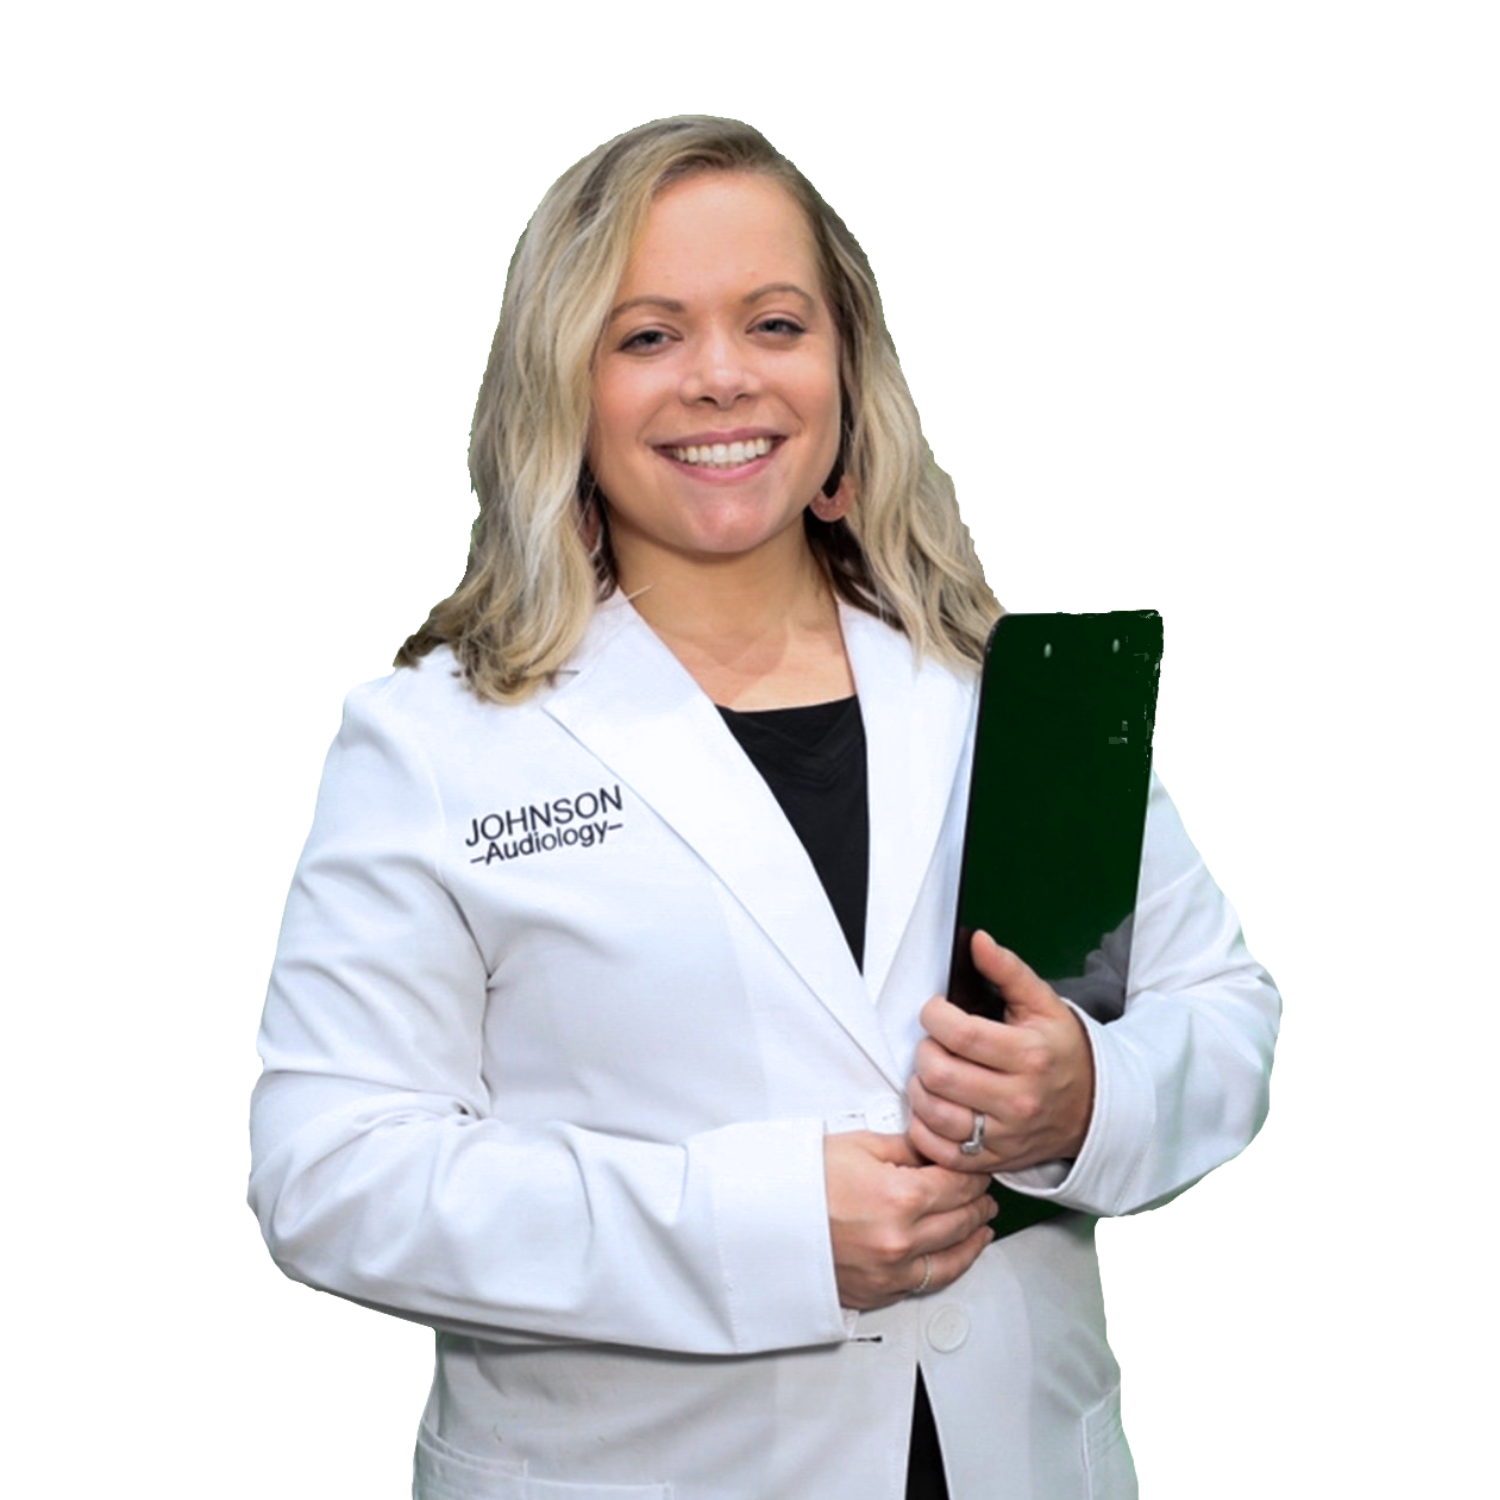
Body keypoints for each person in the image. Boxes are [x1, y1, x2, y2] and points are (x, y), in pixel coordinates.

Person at [247, 115, 1279, 1500]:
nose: (723, 379)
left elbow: (1223, 1006)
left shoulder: (1008, 692)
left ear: (846, 362)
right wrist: (765, 1233)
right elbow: (331, 1177)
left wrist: (1091, 1097)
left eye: (775, 323)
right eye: (649, 335)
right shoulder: (434, 744)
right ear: (564, 384)